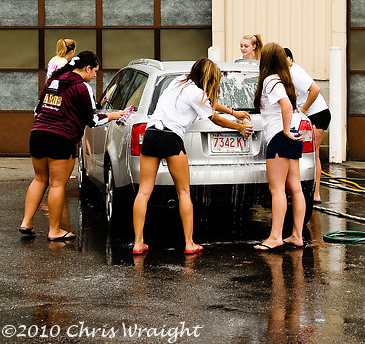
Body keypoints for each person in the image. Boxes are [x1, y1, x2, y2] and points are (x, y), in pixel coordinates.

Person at [131, 58, 252, 256]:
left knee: (144, 191)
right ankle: (189, 243)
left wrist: (234, 112)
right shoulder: (197, 94)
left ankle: (138, 243)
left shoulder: (178, 81)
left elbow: (209, 104)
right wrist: (240, 127)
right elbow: (215, 118)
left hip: (152, 133)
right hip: (171, 138)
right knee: (183, 192)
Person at [20, 51, 126, 241]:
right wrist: (113, 115)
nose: (95, 76)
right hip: (61, 138)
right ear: (87, 68)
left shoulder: (54, 80)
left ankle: (26, 223)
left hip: (37, 134)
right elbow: (93, 119)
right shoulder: (82, 87)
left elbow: (37, 110)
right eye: (95, 71)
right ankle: (54, 231)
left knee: (39, 179)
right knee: (57, 184)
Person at [253, 43, 306, 250]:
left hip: (280, 137)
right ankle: (297, 235)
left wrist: (284, 130)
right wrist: (289, 130)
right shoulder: (283, 80)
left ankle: (275, 237)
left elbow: (285, 105)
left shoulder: (269, 80)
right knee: (296, 189)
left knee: (277, 190)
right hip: (292, 136)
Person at [285, 47, 331, 204]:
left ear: (290, 60)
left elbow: (315, 89)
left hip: (318, 115)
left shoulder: (295, 72)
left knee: (314, 154)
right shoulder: (287, 74)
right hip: (307, 116)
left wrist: (303, 110)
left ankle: (316, 194)